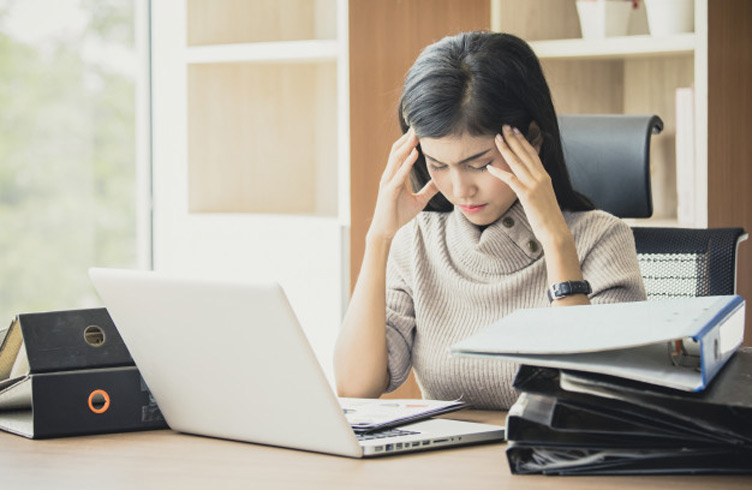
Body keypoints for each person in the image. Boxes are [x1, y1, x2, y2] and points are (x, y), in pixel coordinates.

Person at [334, 31, 646, 410]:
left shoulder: (601, 238)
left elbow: (591, 397)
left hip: (555, 462)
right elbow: (355, 386)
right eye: (437, 165)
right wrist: (379, 238)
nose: (460, 189)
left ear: (531, 140)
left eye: (479, 164)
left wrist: (556, 241)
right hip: (449, 467)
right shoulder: (417, 242)